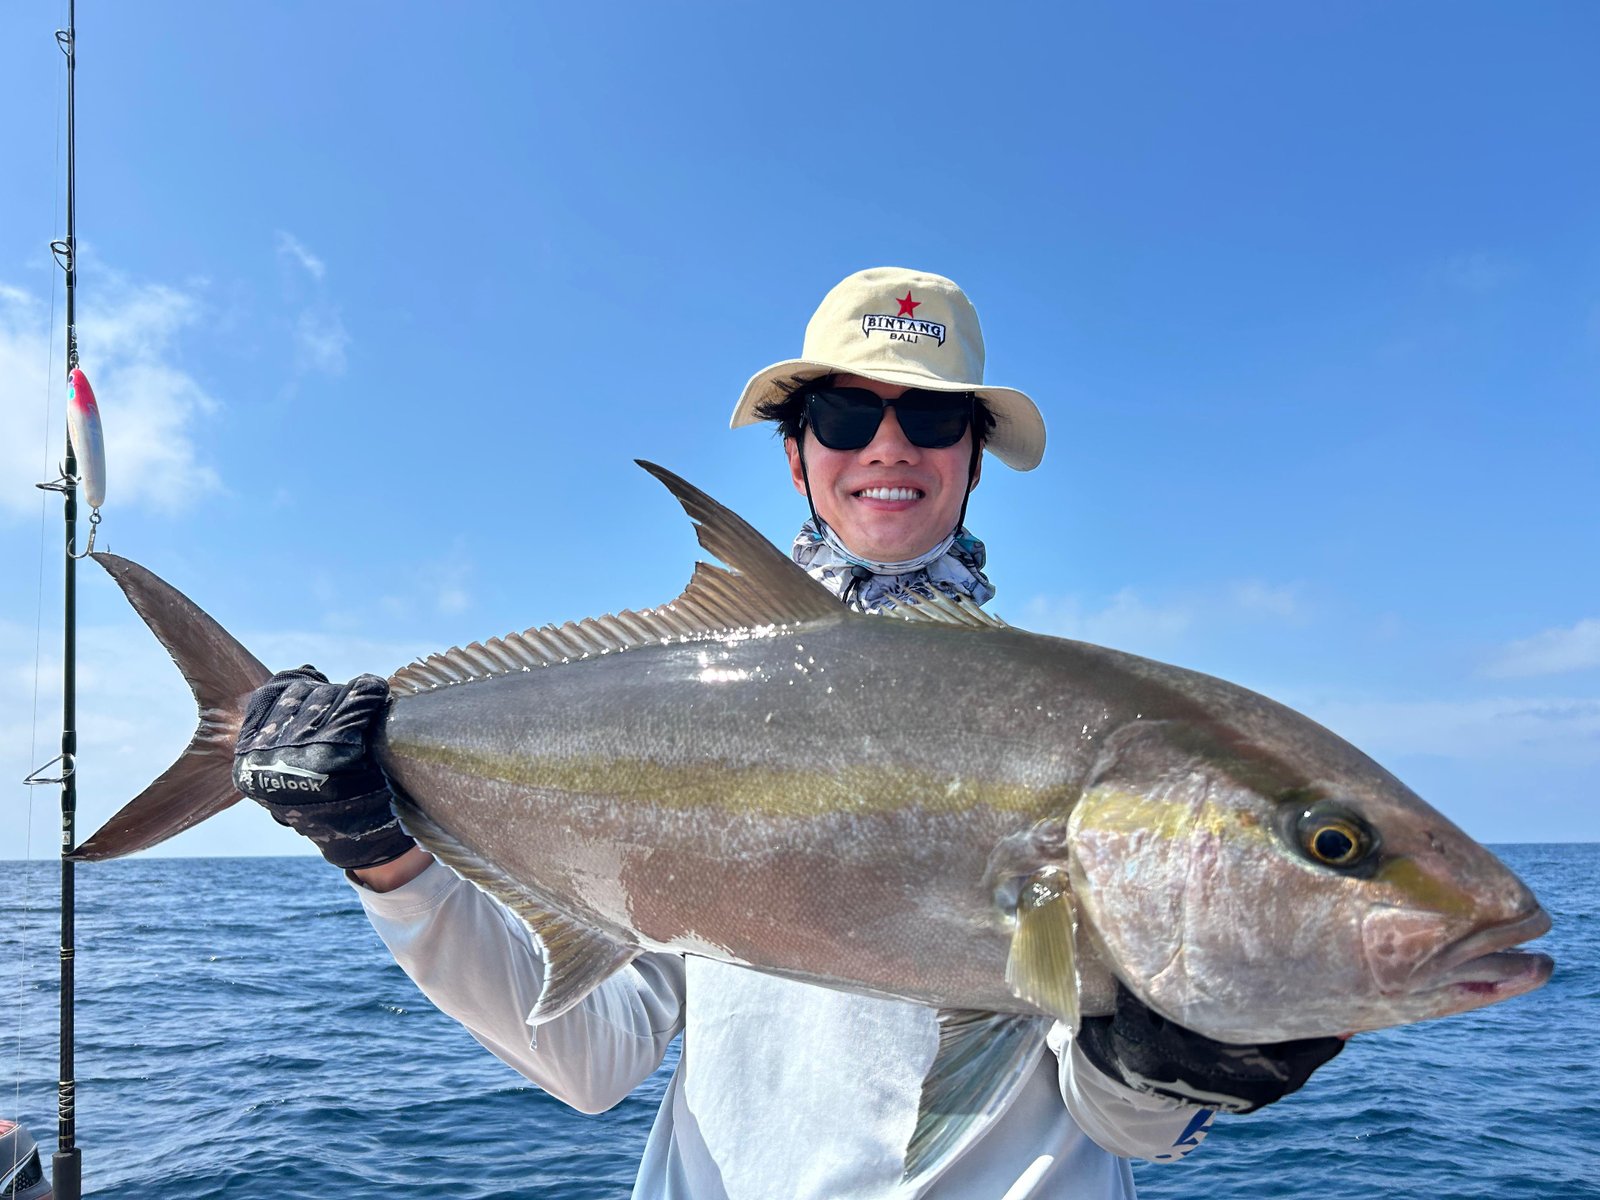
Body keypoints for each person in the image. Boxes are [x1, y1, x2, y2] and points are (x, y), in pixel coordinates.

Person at [233, 267, 1342, 1198]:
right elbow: (590, 1057)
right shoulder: (680, 724)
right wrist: (383, 859)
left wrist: (1182, 1063)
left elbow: (1128, 1128)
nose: (889, 448)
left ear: (971, 452)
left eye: (933, 416)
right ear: (797, 453)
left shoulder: (1077, 731)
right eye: (849, 416)